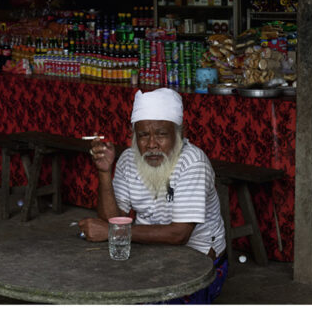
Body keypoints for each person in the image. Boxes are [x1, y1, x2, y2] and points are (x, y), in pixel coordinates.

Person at [78, 88, 227, 304]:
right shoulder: (130, 159)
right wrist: (104, 172)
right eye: (143, 135)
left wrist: (113, 232)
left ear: (179, 133)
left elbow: (178, 235)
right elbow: (113, 218)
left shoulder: (193, 163)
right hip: (150, 251)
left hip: (198, 259)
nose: (151, 144)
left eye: (161, 134)